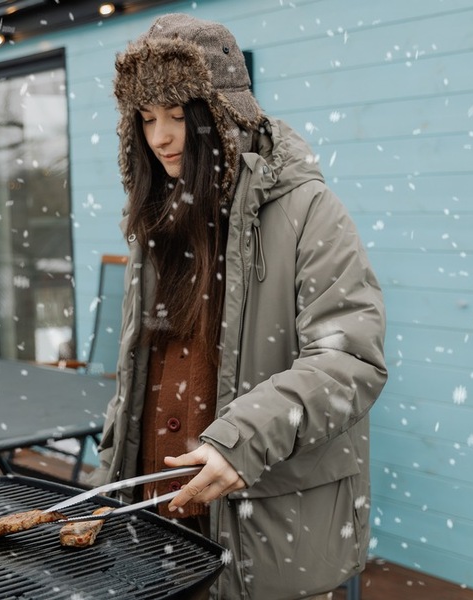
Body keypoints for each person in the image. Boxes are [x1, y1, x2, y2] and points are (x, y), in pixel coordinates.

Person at [90, 12, 388, 600]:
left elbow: (350, 361)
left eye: (177, 115)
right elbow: (137, 377)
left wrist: (242, 439)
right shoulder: (158, 219)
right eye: (146, 119)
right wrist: (109, 478)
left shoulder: (308, 211)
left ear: (222, 115)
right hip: (153, 518)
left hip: (266, 528)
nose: (161, 137)